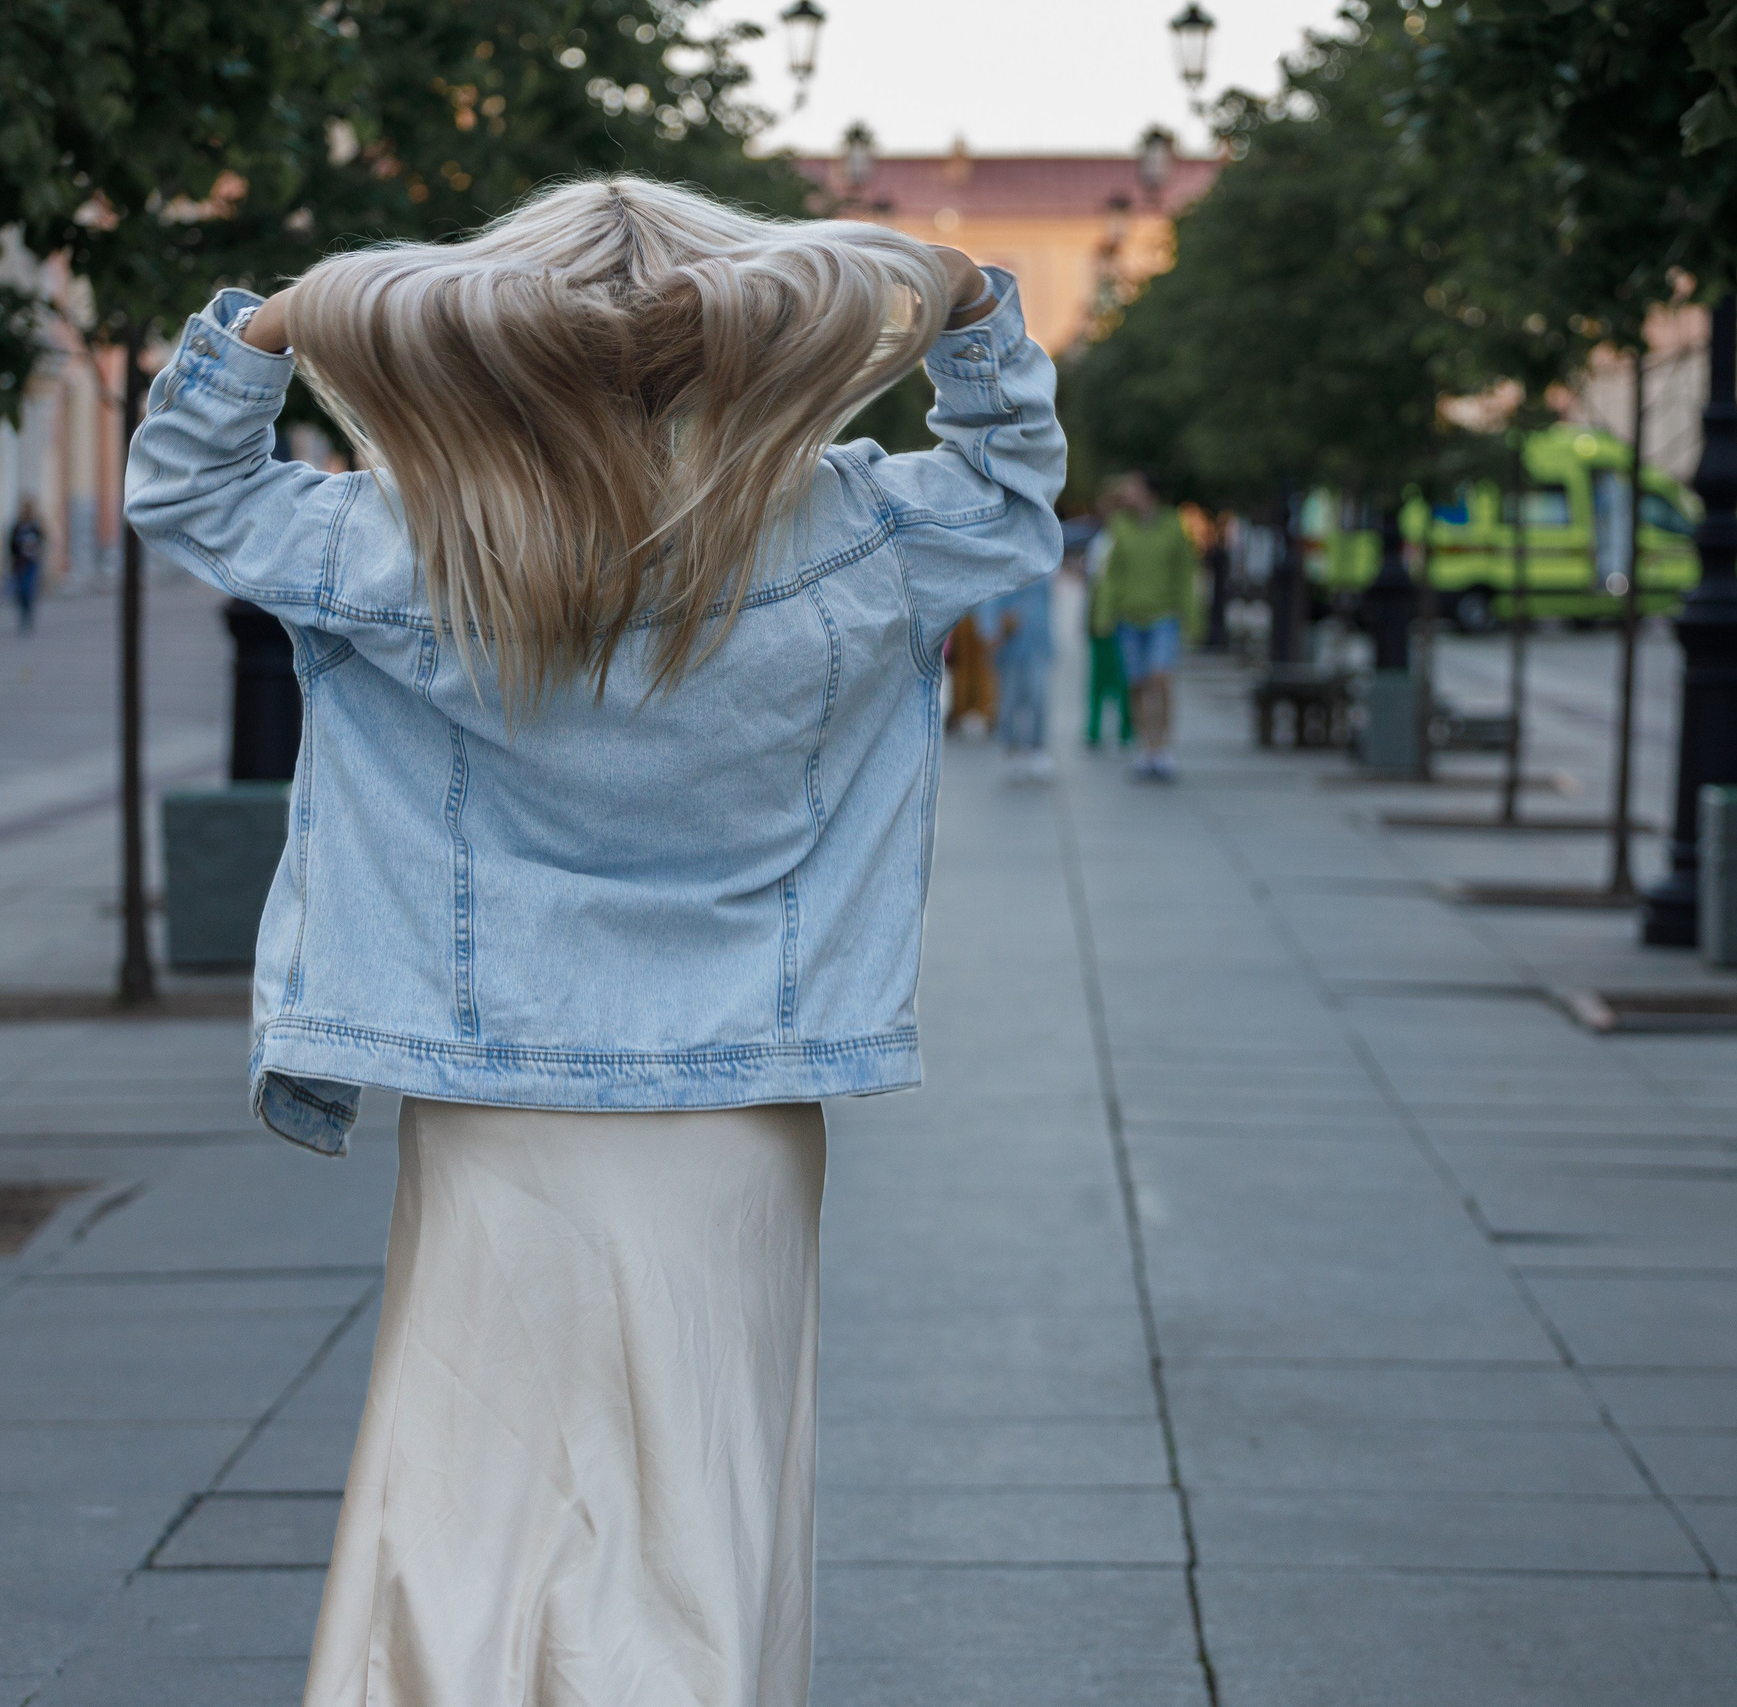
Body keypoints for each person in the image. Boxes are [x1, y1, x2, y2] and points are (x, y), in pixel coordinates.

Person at [124, 177, 1061, 1706]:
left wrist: (294, 314)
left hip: (495, 1093)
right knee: (704, 1489)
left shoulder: (415, 541)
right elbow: (1015, 483)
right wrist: (959, 295)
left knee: (472, 1484)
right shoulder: (860, 528)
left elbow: (190, 488)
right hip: (736, 1105)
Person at [1092, 470, 1201, 781]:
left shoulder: (1172, 526)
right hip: (1128, 617)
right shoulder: (1120, 526)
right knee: (1137, 683)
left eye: (1134, 488)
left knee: (1160, 678)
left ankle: (1163, 748)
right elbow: (1110, 574)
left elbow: (1185, 574)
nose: (1128, 494)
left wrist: (1191, 617)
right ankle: (1146, 748)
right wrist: (1104, 613)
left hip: (1162, 615)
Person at [987, 566, 1056, 779]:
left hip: (1036, 642)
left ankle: (1036, 748)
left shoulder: (1043, 563)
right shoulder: (1002, 559)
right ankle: (1011, 750)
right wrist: (991, 632)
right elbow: (989, 602)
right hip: (1009, 643)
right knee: (1008, 701)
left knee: (1037, 697)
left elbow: (1045, 604)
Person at [1080, 505, 1134, 750]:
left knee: (1124, 678)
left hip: (1124, 617)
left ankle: (1125, 728)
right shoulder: (1101, 542)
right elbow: (1093, 584)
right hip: (1102, 619)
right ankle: (1096, 729)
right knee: (1099, 679)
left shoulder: (1126, 540)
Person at [5, 500, 45, 632]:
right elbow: (11, 544)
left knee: (28, 589)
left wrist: (36, 551)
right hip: (20, 563)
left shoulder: (35, 526)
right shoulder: (18, 526)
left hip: (32, 562)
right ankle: (23, 614)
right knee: (21, 590)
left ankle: (28, 614)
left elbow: (42, 540)